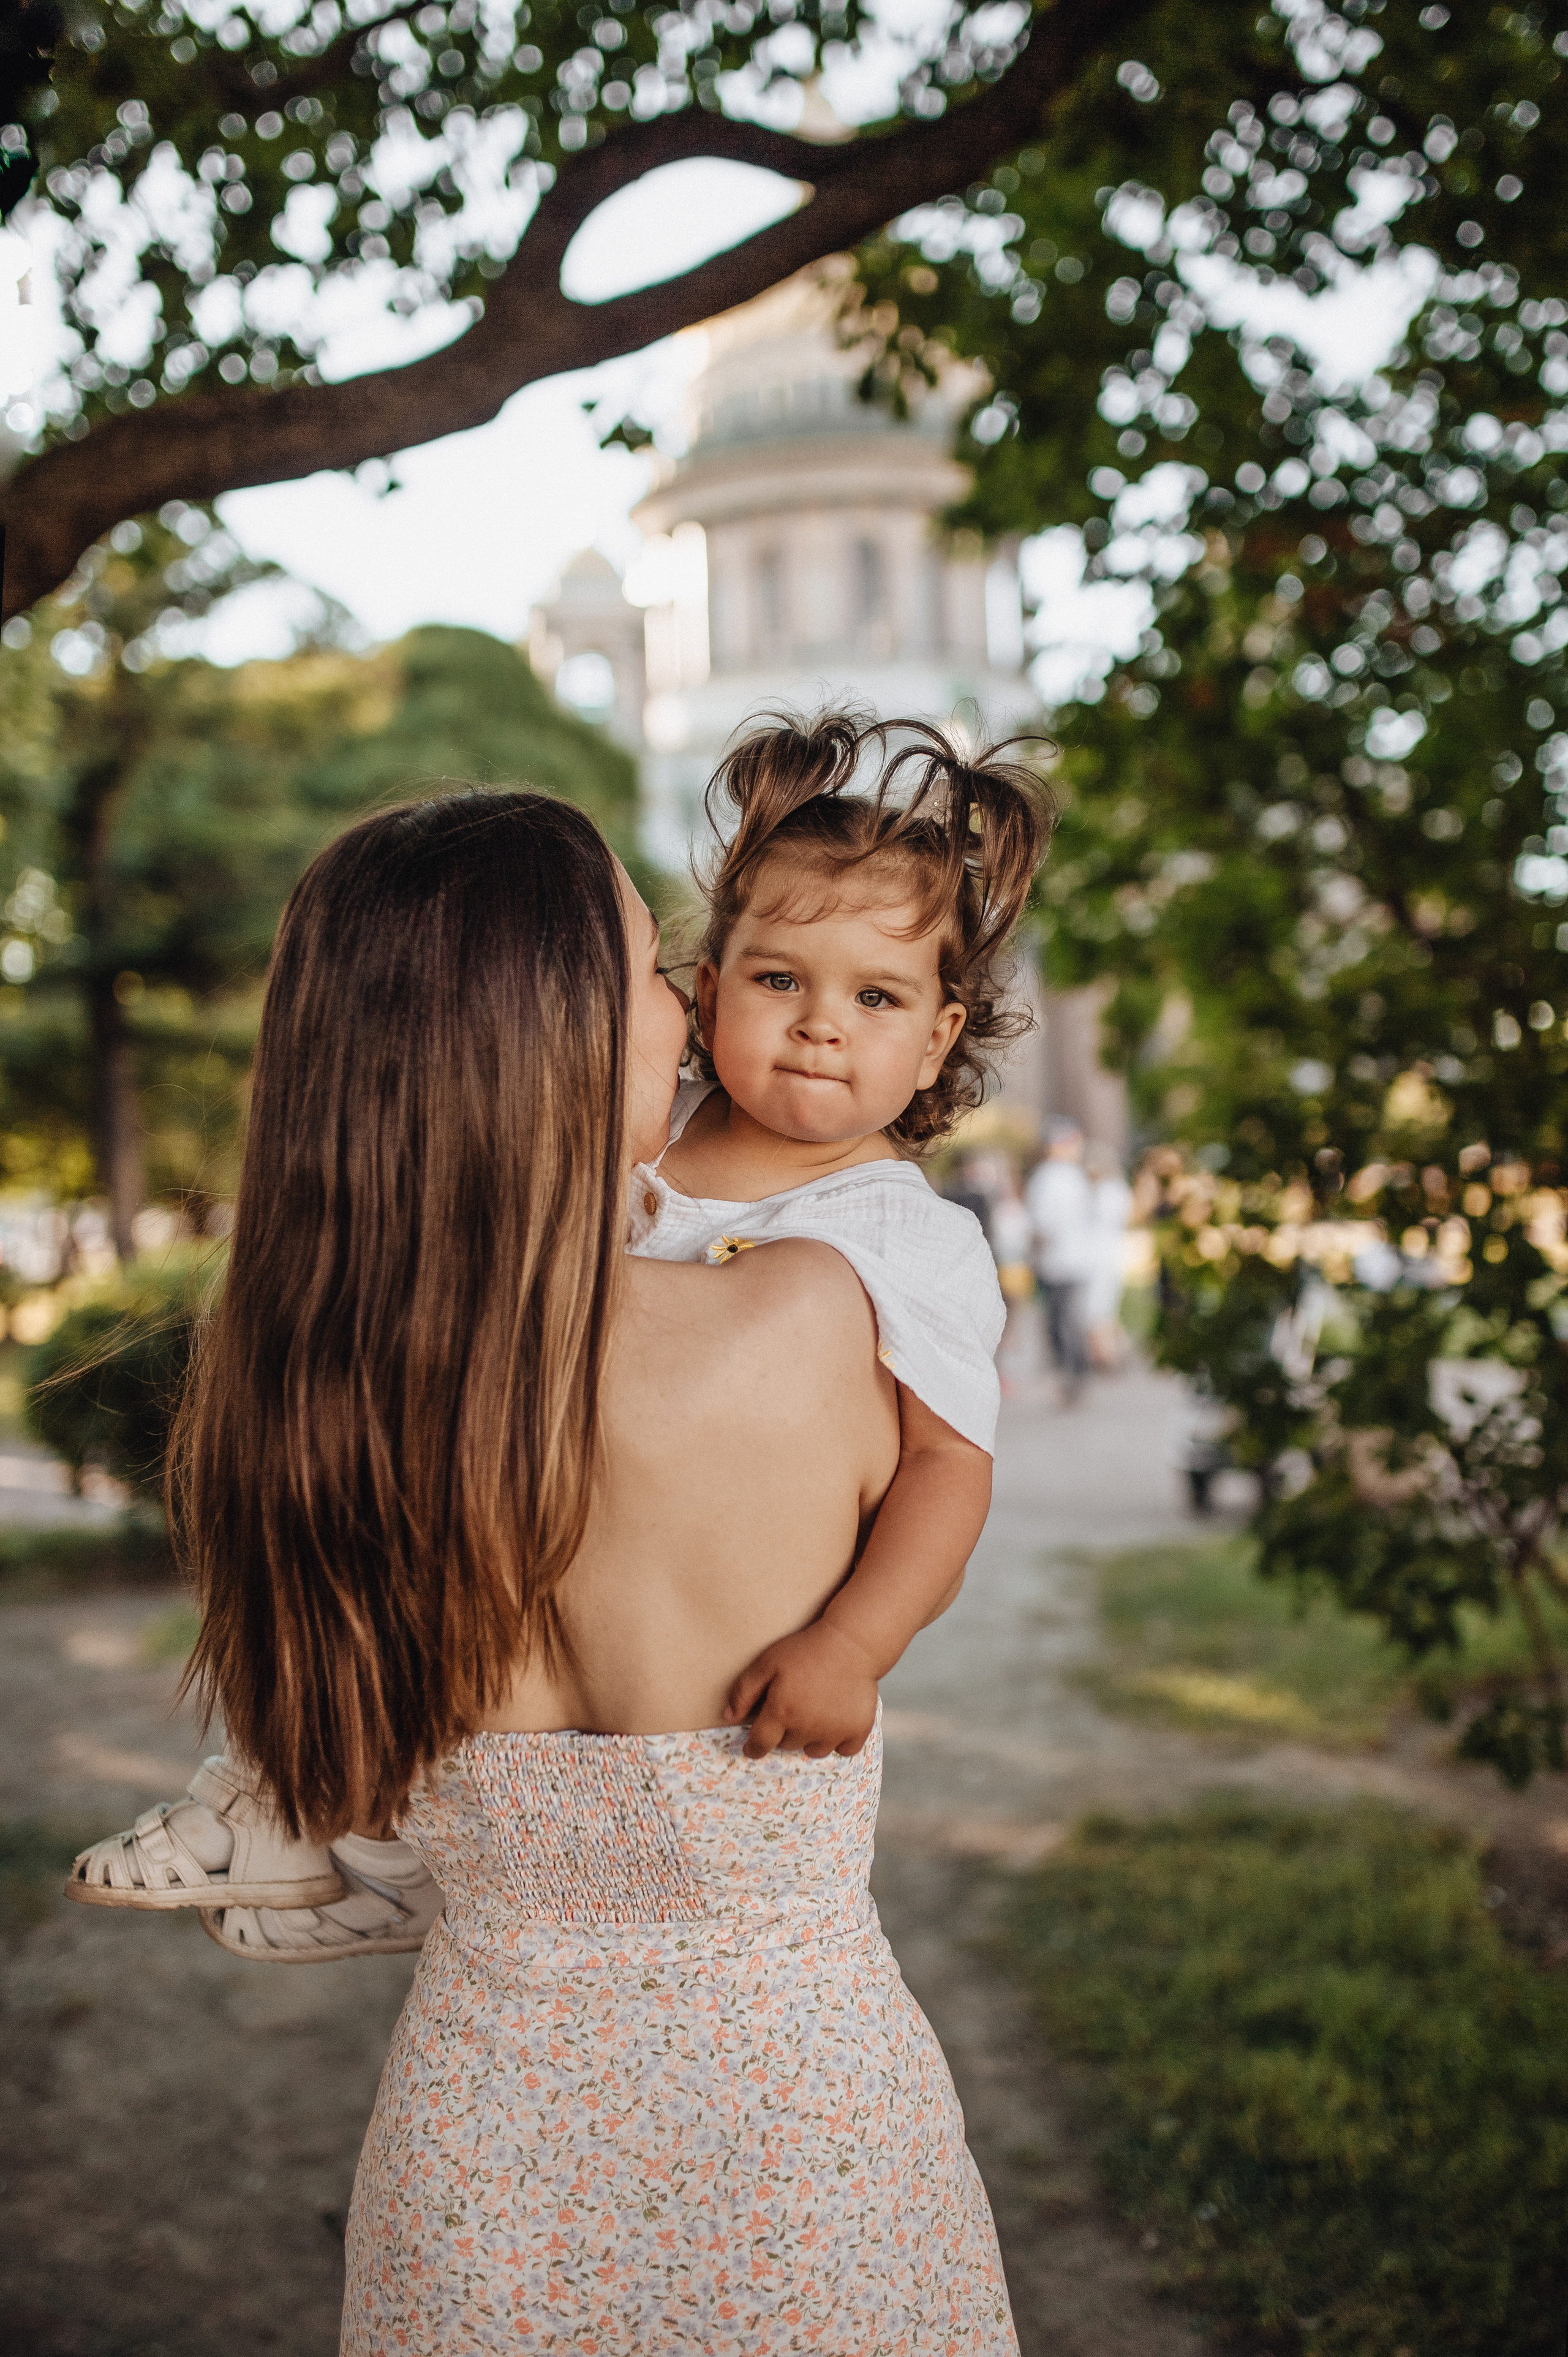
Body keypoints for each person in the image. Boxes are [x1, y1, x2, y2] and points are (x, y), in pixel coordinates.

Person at [67, 745, 1041, 2345]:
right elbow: (943, 1474)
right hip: (803, 2150)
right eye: (659, 964)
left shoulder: (322, 1389)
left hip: (482, 2168)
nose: (693, 997)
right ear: (576, 1026)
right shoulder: (811, 1310)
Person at [1024, 1115, 1095, 1401]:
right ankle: (1077, 1370)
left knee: (1059, 1322)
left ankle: (1070, 1373)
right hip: (1077, 1259)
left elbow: (1041, 1225)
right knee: (1071, 1319)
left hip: (1055, 1261)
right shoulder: (1077, 1177)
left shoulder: (1045, 1178)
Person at [1082, 1139, 1134, 1371]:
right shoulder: (1118, 1189)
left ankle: (1108, 1355)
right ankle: (1114, 1350)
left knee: (1098, 1307)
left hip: (1100, 1254)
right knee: (1104, 1307)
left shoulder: (1107, 1191)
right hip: (1107, 1252)